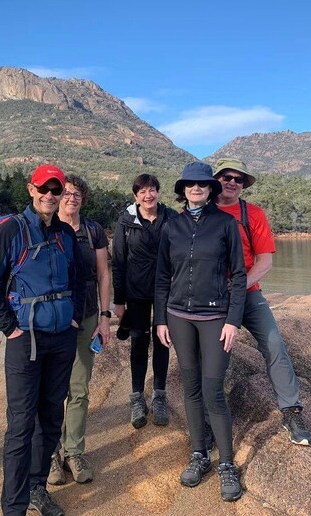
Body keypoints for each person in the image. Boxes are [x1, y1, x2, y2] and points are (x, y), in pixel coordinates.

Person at [0, 164, 86, 516]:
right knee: (22, 423)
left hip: (61, 338)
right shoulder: (11, 230)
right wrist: (10, 328)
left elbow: (79, 280)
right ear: (31, 189)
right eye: (45, 189)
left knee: (52, 416)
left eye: (57, 191)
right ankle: (14, 505)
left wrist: (73, 319)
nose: (51, 196)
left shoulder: (66, 235)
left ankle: (38, 487)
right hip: (27, 341)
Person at [155, 161, 247, 501]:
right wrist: (160, 319)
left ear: (210, 190)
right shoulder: (172, 226)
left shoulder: (225, 225)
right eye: (190, 184)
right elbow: (162, 275)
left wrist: (233, 321)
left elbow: (238, 275)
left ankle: (226, 464)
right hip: (178, 317)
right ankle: (199, 454)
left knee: (213, 391)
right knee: (191, 387)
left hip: (214, 318)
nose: (196, 188)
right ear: (183, 189)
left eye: (202, 184)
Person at [213, 158, 311, 445]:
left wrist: (239, 287)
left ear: (243, 185)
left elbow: (265, 262)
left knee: (274, 344)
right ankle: (211, 416)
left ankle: (291, 412)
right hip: (215, 298)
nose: (232, 182)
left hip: (248, 292)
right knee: (215, 354)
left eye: (238, 179)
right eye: (226, 176)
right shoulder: (201, 213)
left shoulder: (253, 214)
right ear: (216, 179)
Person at [47, 175, 111, 486]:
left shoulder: (92, 230)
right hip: (54, 318)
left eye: (77, 195)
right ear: (57, 197)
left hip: (86, 315)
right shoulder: (46, 227)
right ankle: (50, 454)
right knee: (50, 389)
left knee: (80, 387)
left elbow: (103, 274)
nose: (72, 198)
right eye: (67, 193)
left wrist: (104, 316)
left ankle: (74, 451)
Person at [112, 173, 177, 429]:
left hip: (166, 292)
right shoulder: (126, 221)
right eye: (142, 191)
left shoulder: (171, 218)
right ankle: (137, 397)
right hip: (136, 292)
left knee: (163, 341)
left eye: (152, 190)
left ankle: (159, 395)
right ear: (135, 195)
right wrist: (119, 301)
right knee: (139, 342)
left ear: (159, 192)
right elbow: (118, 260)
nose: (147, 195)